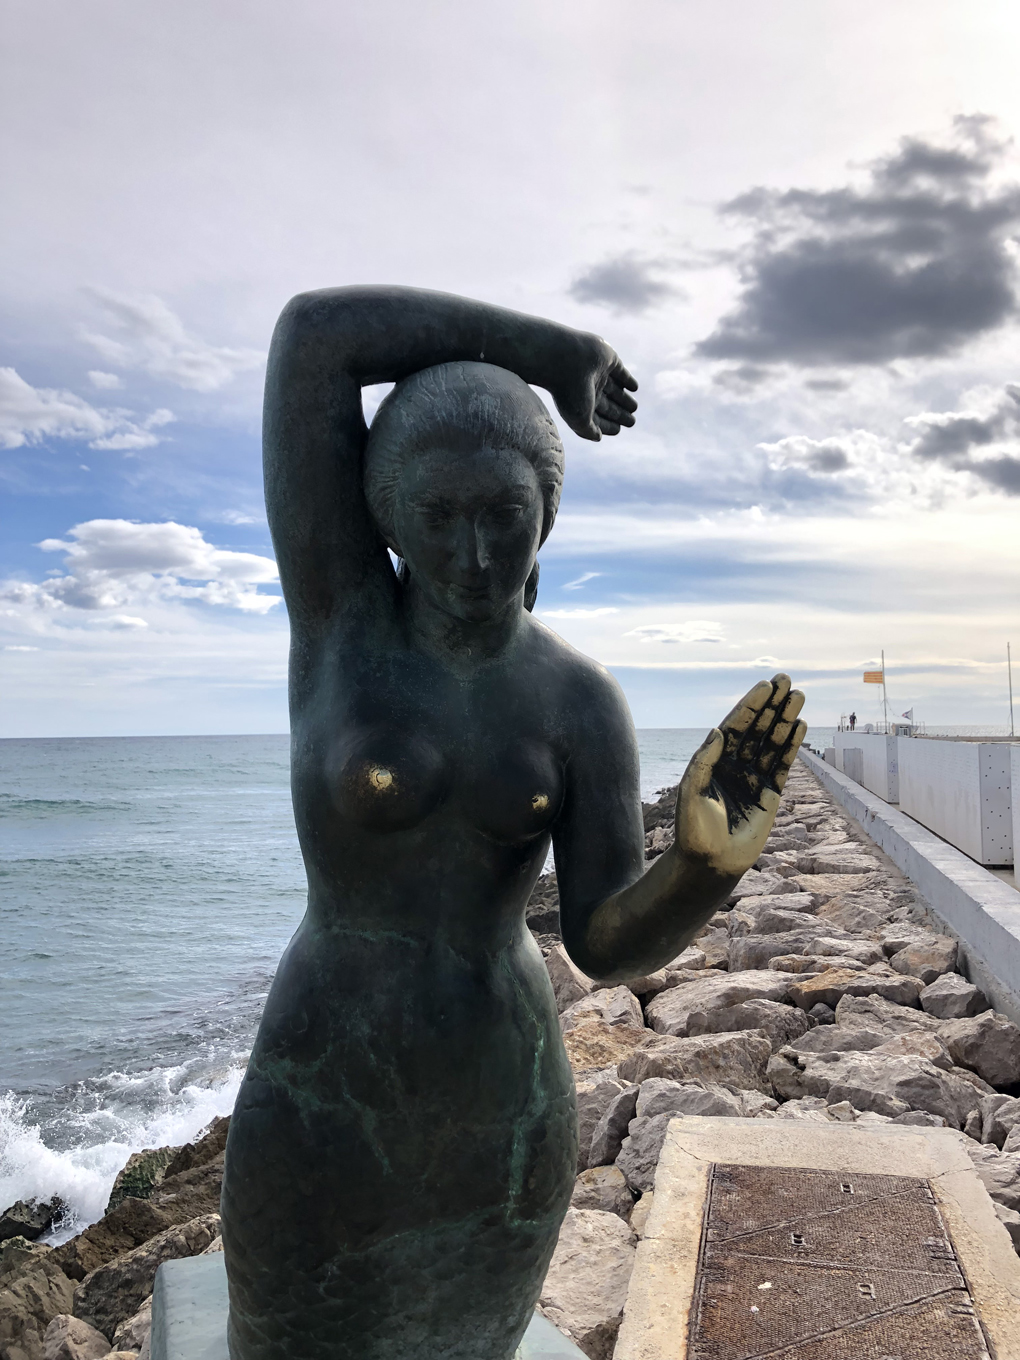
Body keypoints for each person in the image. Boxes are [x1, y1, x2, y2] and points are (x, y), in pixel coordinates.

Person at [219, 286, 806, 1360]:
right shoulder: (343, 623)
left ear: (547, 509)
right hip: (322, 1081)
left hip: (502, 1097)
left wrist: (700, 868)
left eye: (504, 513)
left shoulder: (579, 701)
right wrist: (550, 353)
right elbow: (312, 337)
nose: (475, 556)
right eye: (439, 518)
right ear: (387, 515)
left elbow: (604, 941)